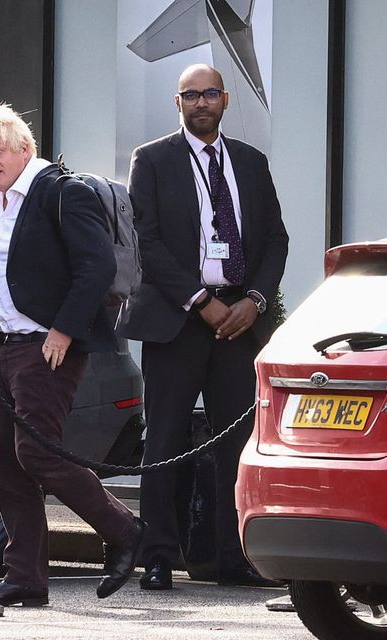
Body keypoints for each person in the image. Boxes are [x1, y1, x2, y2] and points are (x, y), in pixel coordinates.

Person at [0, 104, 148, 605]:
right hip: (4, 348)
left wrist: (63, 331)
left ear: (26, 149)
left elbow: (96, 267)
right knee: (5, 461)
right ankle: (25, 578)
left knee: (36, 452)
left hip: (46, 348)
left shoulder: (63, 192)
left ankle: (126, 531)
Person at [120, 64, 288, 589]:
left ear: (225, 99)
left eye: (209, 94)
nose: (201, 103)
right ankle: (159, 557)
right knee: (164, 439)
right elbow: (146, 240)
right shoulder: (151, 160)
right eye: (190, 95)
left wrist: (255, 301)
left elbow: (275, 240)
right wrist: (200, 301)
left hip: (240, 321)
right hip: (178, 319)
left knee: (237, 440)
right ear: (177, 103)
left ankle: (233, 559)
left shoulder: (251, 162)